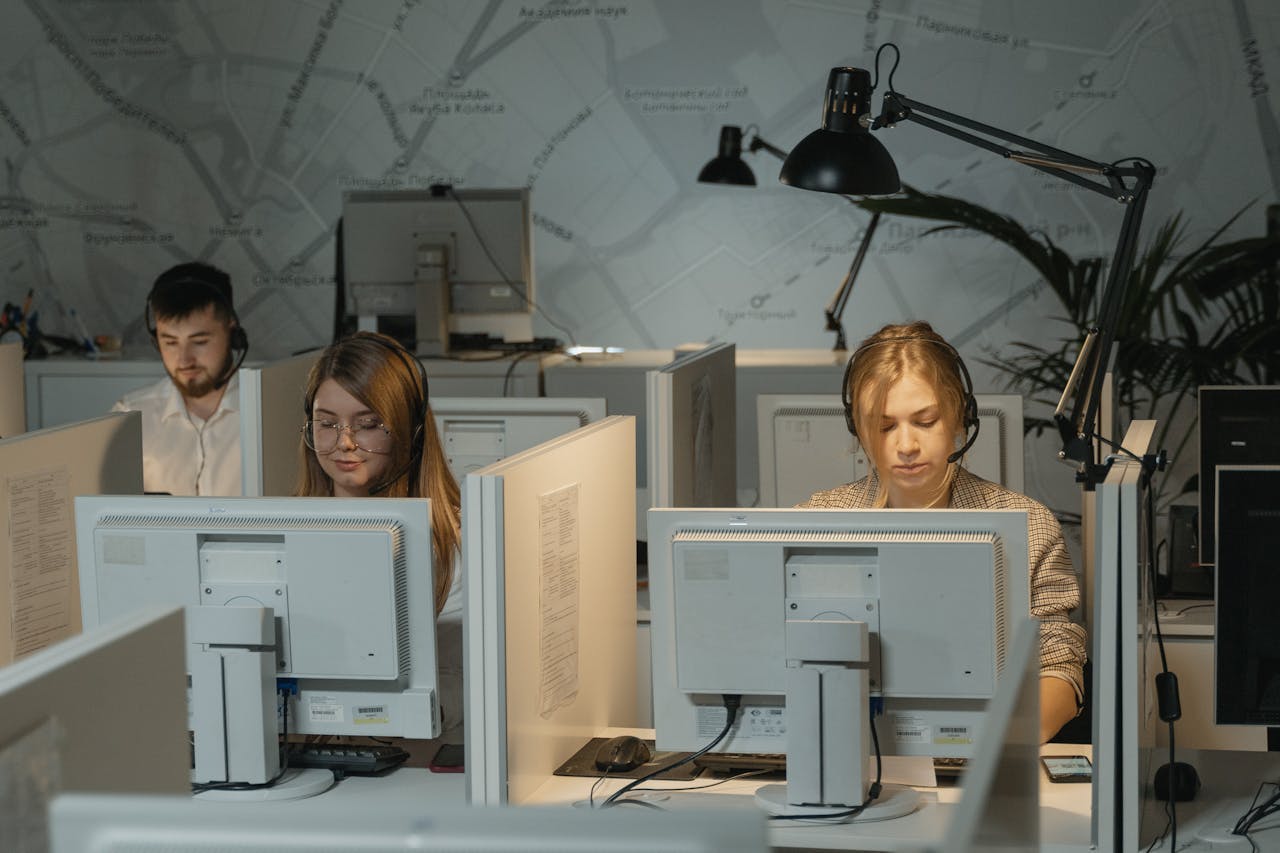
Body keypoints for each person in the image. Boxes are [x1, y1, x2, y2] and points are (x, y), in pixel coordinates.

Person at [800, 321, 1087, 743]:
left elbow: (1059, 661)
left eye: (925, 421)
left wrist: (1005, 738)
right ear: (857, 430)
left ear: (959, 417)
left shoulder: (1027, 523)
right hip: (847, 752)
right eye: (884, 427)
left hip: (985, 758)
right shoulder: (816, 522)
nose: (906, 445)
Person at [296, 331, 463, 743]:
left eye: (368, 425)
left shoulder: (459, 544)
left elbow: (461, 688)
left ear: (411, 432)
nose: (344, 444)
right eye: (327, 424)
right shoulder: (290, 535)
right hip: (315, 749)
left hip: (426, 757)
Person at [113, 262, 247, 496]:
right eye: (170, 342)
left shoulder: (271, 411)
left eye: (200, 342)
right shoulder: (130, 417)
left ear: (232, 331)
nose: (184, 360)